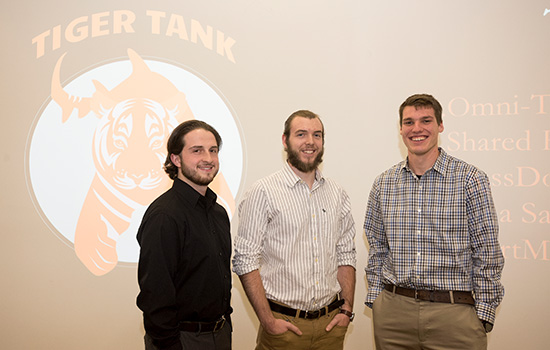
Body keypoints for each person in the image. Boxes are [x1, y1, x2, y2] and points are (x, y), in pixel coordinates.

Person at [364, 94, 505, 350]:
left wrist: (483, 312)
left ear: (440, 125)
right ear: (400, 129)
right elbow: (376, 246)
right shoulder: (383, 183)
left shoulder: (470, 179)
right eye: (409, 122)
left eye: (425, 120)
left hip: (455, 315)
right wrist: (377, 298)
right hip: (394, 314)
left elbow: (487, 251)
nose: (416, 128)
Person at [233, 110, 357, 350]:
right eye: (301, 134)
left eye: (317, 135)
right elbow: (245, 261)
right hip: (284, 326)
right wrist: (268, 321)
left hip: (331, 326)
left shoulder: (337, 194)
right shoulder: (263, 191)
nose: (310, 141)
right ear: (285, 140)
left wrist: (347, 308)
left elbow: (346, 254)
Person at [136, 120, 232, 350]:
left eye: (213, 150)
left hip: (220, 335)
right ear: (175, 159)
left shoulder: (218, 212)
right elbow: (155, 296)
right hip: (180, 340)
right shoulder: (164, 216)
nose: (208, 158)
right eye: (196, 150)